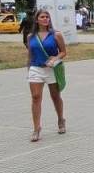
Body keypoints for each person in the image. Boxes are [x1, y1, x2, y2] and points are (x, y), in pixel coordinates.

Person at [26, 9, 67, 142]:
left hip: (51, 69)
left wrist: (54, 59)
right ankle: (36, 128)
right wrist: (29, 69)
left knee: (55, 96)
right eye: (42, 17)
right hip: (35, 68)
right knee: (35, 97)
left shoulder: (56, 35)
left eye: (47, 17)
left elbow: (63, 52)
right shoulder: (30, 36)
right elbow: (30, 54)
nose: (45, 19)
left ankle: (61, 119)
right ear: (37, 19)